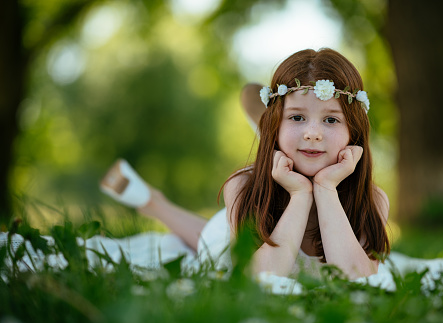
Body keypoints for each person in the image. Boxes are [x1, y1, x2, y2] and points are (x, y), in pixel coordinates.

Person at [100, 48, 390, 280]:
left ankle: (277, 136)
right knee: (206, 239)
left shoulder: (372, 200)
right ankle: (153, 202)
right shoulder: (241, 186)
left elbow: (358, 277)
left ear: (354, 132)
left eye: (330, 119)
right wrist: (301, 195)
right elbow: (261, 277)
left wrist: (325, 189)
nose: (313, 132)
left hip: (288, 179)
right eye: (297, 117)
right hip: (231, 238)